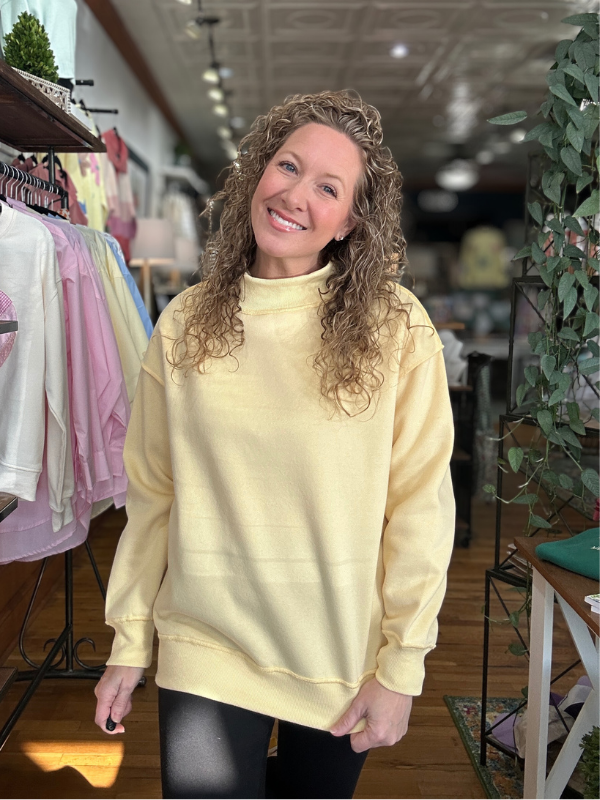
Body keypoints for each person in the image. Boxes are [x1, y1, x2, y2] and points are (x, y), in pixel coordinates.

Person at [94, 89, 456, 799]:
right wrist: (129, 642)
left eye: (328, 187)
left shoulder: (397, 328)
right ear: (258, 171)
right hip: (207, 644)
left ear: (352, 220)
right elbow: (154, 497)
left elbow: (419, 505)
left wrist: (401, 667)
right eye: (286, 166)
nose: (295, 195)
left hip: (336, 657)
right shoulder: (186, 323)